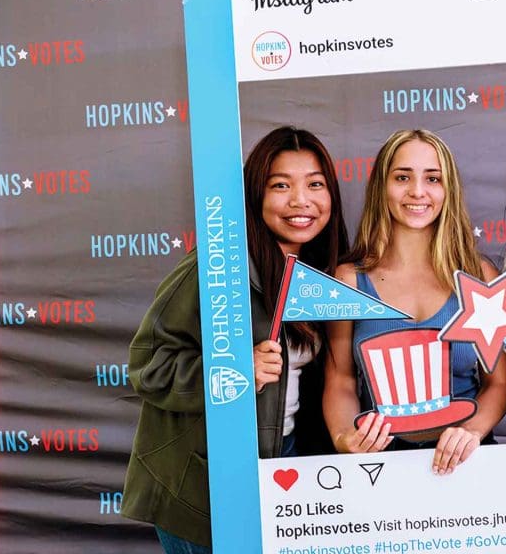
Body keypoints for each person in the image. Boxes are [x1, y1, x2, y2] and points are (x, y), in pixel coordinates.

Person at [121, 126, 349, 553]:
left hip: (285, 474)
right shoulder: (214, 265)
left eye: (315, 184)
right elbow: (149, 367)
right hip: (202, 490)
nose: (301, 200)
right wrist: (235, 370)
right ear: (254, 195)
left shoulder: (322, 274)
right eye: (281, 185)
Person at [324, 129, 506, 475]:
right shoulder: (350, 280)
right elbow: (341, 381)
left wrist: (470, 431)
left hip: (468, 461)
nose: (417, 191)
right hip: (380, 465)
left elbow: (498, 383)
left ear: (448, 189)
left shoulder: (478, 275)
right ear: (382, 185)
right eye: (402, 177)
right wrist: (345, 437)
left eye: (433, 178)